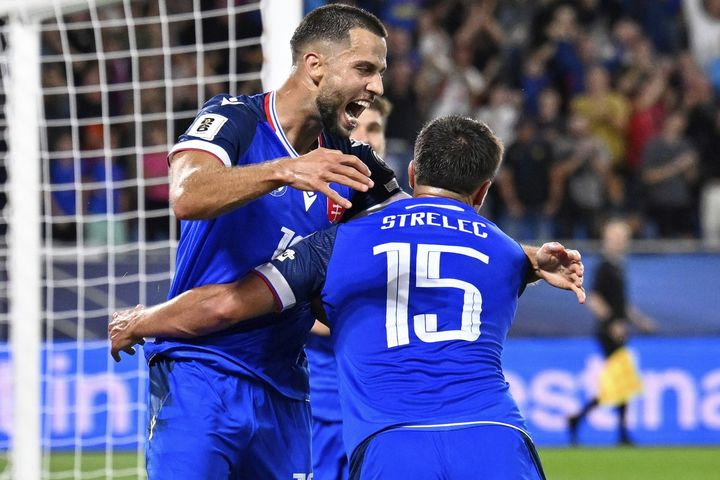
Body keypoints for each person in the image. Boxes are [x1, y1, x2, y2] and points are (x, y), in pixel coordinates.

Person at [110, 115, 586, 479]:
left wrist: (141, 321)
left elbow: (224, 304)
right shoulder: (505, 251)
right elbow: (487, 252)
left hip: (391, 446)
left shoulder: (337, 244)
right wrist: (537, 263)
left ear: (412, 172)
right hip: (497, 439)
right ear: (483, 191)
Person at [138, 5, 402, 478]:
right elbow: (187, 194)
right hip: (203, 371)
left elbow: (421, 226)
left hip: (285, 388)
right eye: (365, 68)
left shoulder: (351, 159)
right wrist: (284, 169)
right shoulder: (235, 119)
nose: (377, 86)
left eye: (380, 73)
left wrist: (521, 256)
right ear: (315, 65)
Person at [307, 96, 393, 480]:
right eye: (357, 130)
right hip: (322, 388)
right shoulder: (310, 204)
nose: (366, 139)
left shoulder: (394, 212)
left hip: (384, 393)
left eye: (375, 129)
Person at [567, 218, 655, 446]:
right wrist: (612, 322)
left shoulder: (617, 266)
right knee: (621, 382)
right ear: (606, 239)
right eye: (616, 237)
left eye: (623, 237)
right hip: (609, 333)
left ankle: (581, 420)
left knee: (620, 383)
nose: (620, 241)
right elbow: (594, 298)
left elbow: (621, 304)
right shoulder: (605, 266)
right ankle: (617, 431)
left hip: (617, 330)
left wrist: (639, 321)